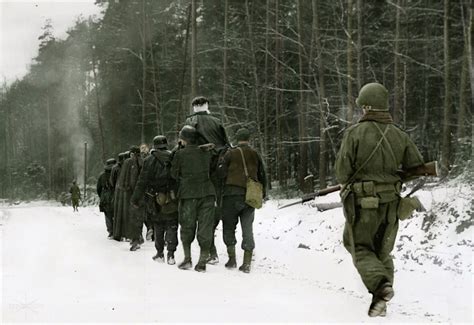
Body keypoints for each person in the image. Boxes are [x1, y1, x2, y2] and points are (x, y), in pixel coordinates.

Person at [335, 82, 425, 317]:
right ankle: (381, 298)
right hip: (392, 205)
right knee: (382, 251)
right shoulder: (400, 135)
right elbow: (416, 167)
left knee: (358, 246)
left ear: (366, 106)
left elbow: (342, 174)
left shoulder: (354, 133)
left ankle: (380, 288)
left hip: (364, 205)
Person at [184, 96, 230, 264]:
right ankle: (213, 249)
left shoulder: (190, 121)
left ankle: (210, 250)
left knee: (201, 210)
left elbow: (185, 145)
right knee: (214, 206)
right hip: (218, 170)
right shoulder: (217, 121)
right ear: (207, 106)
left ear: (194, 107)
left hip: (199, 171)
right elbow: (227, 144)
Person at [218, 128, 267, 273]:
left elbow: (220, 173)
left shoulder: (230, 153)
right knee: (247, 229)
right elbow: (262, 174)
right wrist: (262, 193)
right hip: (250, 196)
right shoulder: (255, 153)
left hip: (231, 196)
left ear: (236, 138)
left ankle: (232, 259)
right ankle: (246, 263)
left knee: (228, 227)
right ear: (249, 139)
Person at [171, 125, 216, 272]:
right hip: (207, 193)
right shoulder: (206, 152)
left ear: (183, 140)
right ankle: (202, 262)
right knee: (205, 227)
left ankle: (187, 259)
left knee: (187, 226)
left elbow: (173, 174)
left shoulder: (180, 154)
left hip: (188, 195)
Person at [131, 135, 179, 264]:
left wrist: (135, 198)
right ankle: (171, 254)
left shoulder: (149, 160)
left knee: (158, 225)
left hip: (154, 198)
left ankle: (159, 253)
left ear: (154, 145)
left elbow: (142, 181)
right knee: (172, 224)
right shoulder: (173, 157)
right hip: (172, 196)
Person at [97, 158, 116, 239]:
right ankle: (117, 231)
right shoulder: (117, 173)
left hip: (105, 196)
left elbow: (98, 188)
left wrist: (102, 196)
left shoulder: (102, 175)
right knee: (116, 214)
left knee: (107, 214)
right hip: (115, 195)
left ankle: (111, 231)